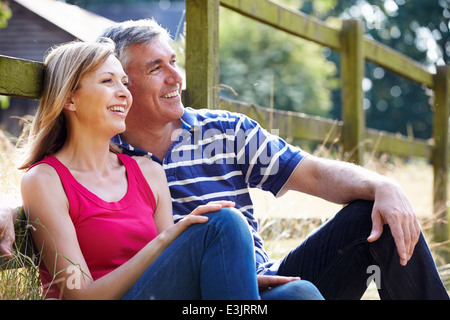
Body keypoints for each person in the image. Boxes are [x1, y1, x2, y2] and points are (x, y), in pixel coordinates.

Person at [1, 18, 447, 299]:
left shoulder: (223, 131)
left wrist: (383, 185)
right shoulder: (111, 151)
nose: (176, 77)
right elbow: (77, 193)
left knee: (372, 221)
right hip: (190, 289)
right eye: (156, 68)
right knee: (231, 228)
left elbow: (312, 172)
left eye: (173, 61)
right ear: (122, 86)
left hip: (261, 279)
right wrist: (14, 211)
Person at [12, 39, 279, 300]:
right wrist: (164, 240)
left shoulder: (149, 172)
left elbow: (172, 270)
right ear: (69, 99)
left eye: (124, 82)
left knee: (297, 293)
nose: (124, 93)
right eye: (108, 81)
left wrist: (232, 274)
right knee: (224, 222)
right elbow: (79, 293)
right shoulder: (45, 180)